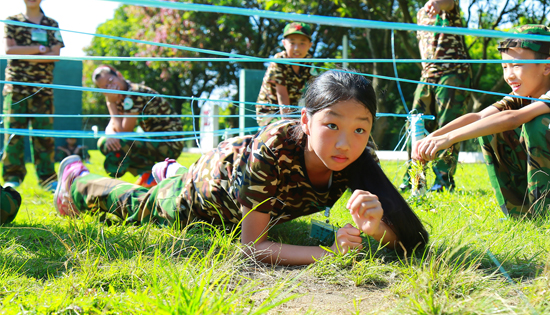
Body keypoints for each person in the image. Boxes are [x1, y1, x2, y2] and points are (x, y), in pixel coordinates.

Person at [54, 70, 429, 265]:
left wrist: (373, 228)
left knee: (170, 186)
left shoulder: (360, 160)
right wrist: (328, 252)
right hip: (210, 187)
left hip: (241, 182)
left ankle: (166, 171)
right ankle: (77, 179)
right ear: (306, 120)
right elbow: (251, 248)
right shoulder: (276, 146)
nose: (346, 142)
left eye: (360, 128)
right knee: (145, 207)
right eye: (331, 125)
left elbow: (409, 242)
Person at [413, 25, 550, 218]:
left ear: (547, 66)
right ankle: (520, 216)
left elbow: (514, 118)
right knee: (489, 127)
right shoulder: (520, 96)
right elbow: (478, 117)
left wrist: (450, 138)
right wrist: (433, 137)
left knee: (538, 123)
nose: (509, 75)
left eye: (517, 65)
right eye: (504, 66)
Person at [401, 0, 472, 193]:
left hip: (452, 72)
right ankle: (414, 176)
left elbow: (449, 1)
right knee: (416, 121)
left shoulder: (449, 3)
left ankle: (443, 180)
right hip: (428, 73)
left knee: (448, 125)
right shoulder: (421, 12)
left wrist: (439, 3)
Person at [2, 0, 64, 191]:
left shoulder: (51, 24)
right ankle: (12, 177)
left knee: (43, 135)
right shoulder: (12, 20)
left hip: (42, 89)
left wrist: (25, 52)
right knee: (14, 134)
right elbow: (9, 51)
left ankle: (48, 179)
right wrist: (39, 50)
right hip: (16, 89)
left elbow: (55, 55)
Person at [92, 65, 184, 187]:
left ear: (119, 75)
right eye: (104, 87)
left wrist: (110, 103)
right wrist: (110, 134)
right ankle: (148, 174)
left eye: (110, 81)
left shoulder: (133, 93)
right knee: (105, 142)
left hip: (170, 143)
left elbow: (125, 131)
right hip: (154, 140)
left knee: (117, 143)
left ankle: (151, 174)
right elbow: (113, 124)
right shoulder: (120, 95)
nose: (110, 88)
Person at [256, 22, 314, 126]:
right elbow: (282, 95)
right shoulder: (279, 62)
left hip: (292, 111)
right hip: (270, 114)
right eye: (292, 43)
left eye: (302, 43)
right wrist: (288, 124)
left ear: (310, 45)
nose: (296, 48)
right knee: (284, 135)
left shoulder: (308, 63)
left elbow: (314, 89)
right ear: (284, 44)